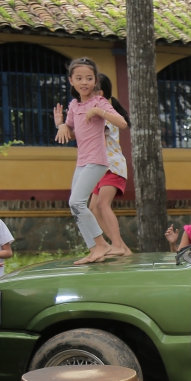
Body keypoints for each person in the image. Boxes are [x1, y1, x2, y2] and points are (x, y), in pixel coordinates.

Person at [54, 58, 128, 265]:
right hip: (82, 162)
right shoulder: (74, 105)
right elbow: (71, 131)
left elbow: (122, 123)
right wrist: (61, 125)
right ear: (71, 81)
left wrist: (98, 111)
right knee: (74, 205)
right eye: (79, 78)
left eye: (89, 78)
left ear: (95, 81)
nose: (84, 82)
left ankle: (102, 244)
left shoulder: (99, 102)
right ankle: (94, 248)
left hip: (98, 161)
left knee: (77, 202)